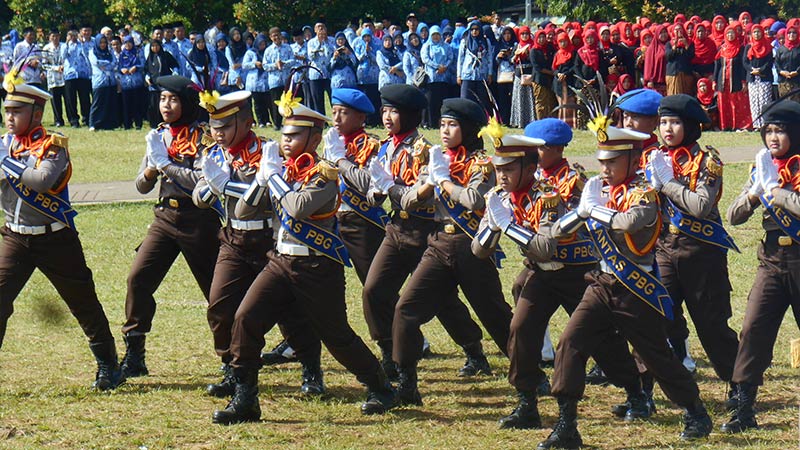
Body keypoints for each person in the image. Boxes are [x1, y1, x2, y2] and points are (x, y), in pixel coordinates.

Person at [210, 92, 397, 425]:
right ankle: (246, 398)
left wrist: (273, 178)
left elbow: (297, 209)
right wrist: (248, 183)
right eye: (283, 135)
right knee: (245, 318)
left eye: (294, 135)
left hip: (317, 266)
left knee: (337, 336)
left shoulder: (325, 174)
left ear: (313, 138)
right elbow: (243, 209)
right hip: (281, 261)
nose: (285, 141)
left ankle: (380, 386)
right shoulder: (281, 169)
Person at [539, 122, 712, 449]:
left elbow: (631, 221)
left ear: (634, 162)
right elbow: (558, 232)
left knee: (657, 356)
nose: (604, 168)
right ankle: (567, 425)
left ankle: (695, 411)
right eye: (602, 161)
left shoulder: (644, 192)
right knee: (570, 342)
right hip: (600, 283)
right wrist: (580, 211)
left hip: (635, 289)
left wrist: (595, 211)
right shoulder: (599, 191)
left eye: (612, 161)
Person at [194, 89, 325, 399]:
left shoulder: (270, 151)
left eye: (225, 127)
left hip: (268, 239)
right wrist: (213, 186)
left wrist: (228, 184)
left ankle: (311, 369)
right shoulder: (215, 154)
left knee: (290, 311)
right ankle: (233, 368)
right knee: (219, 306)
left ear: (246, 122)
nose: (218, 134)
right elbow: (199, 199)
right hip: (234, 239)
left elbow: (268, 195)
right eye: (214, 127)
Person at [388, 98, 513, 405]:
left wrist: (443, 181)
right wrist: (429, 184)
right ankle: (407, 383)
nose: (444, 131)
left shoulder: (482, 164)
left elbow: (475, 200)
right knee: (406, 309)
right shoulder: (437, 159)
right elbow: (410, 201)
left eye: (453, 124)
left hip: (470, 246)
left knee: (495, 315)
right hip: (438, 244)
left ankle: (530, 374)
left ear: (469, 129)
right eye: (442, 124)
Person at [0, 82, 124, 390]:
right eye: (7, 111)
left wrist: (5, 162)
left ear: (37, 113)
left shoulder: (52, 145)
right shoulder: (6, 144)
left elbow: (42, 181)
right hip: (15, 237)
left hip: (55, 238)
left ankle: (109, 365)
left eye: (17, 111)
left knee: (82, 301)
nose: (10, 118)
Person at [363, 85, 487, 381]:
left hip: (424, 230)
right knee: (373, 290)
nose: (388, 117)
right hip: (396, 229)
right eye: (384, 110)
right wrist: (375, 192)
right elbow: (376, 186)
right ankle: (388, 351)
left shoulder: (425, 151)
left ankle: (473, 349)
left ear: (409, 116)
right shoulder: (384, 147)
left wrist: (391, 189)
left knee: (442, 300)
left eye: (394, 111)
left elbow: (422, 195)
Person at [119, 75, 221, 378]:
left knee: (217, 292)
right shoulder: (159, 135)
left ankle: (233, 358)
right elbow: (140, 186)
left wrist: (168, 166)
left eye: (173, 99)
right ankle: (135, 354)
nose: (166, 105)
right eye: (163, 99)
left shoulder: (204, 136)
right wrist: (151, 167)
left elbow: (204, 183)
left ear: (187, 103)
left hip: (199, 220)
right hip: (164, 219)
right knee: (138, 279)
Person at [647, 94, 741, 411]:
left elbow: (701, 206)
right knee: (656, 319)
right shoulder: (656, 158)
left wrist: (668, 183)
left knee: (712, 326)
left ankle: (739, 386)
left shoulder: (707, 160)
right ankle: (645, 391)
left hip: (702, 252)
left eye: (674, 122)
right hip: (664, 249)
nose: (667, 129)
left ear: (689, 126)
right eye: (663, 122)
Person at [725, 100, 800, 434]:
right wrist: (755, 194)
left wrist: (776, 191)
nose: (773, 137)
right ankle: (744, 404)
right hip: (770, 260)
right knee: (753, 329)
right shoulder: (763, 166)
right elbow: (734, 216)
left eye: (780, 130)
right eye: (768, 130)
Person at [714, 25, 751, 131]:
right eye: (728, 33)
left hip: (736, 80)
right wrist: (714, 81)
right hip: (723, 81)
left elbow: (743, 66)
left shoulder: (740, 48)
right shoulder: (722, 48)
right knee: (724, 103)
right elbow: (717, 65)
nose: (730, 35)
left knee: (736, 103)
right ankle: (725, 126)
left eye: (732, 33)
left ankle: (738, 125)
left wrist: (744, 81)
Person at [421, 26, 453, 128]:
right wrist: (437, 66)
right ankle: (431, 123)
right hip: (431, 78)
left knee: (442, 101)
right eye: (433, 35)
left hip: (444, 78)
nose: (435, 37)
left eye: (437, 35)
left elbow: (450, 57)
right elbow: (425, 58)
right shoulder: (427, 46)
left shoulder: (446, 46)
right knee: (431, 102)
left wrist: (445, 67)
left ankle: (442, 123)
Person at [457, 21, 492, 112]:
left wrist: (490, 73)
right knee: (465, 98)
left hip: (481, 74)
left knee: (482, 100)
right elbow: (460, 59)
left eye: (476, 29)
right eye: (472, 29)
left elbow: (489, 58)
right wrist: (459, 75)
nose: (474, 31)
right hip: (468, 74)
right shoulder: (465, 41)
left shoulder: (485, 41)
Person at [745, 24, 775, 130]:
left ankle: (765, 124)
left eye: (758, 32)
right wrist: (752, 70)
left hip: (764, 77)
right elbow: (745, 62)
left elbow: (769, 62)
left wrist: (760, 70)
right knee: (753, 101)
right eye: (754, 32)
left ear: (762, 33)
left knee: (764, 101)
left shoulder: (767, 46)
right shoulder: (749, 46)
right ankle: (756, 124)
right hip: (752, 78)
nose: (756, 34)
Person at [263, 27, 294, 129]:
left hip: (286, 79)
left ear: (281, 35)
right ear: (270, 37)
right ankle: (277, 123)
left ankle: (289, 121)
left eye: (278, 35)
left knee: (288, 101)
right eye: (274, 36)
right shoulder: (268, 50)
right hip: (274, 81)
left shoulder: (287, 47)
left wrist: (284, 64)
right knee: (276, 102)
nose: (276, 37)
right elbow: (265, 65)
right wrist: (275, 65)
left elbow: (293, 60)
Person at [145, 39, 179, 128]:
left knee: (165, 104)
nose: (155, 48)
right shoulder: (150, 57)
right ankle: (154, 125)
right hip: (153, 86)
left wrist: (174, 74)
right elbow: (146, 70)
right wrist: (147, 78)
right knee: (154, 105)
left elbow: (175, 66)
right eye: (152, 46)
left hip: (165, 85)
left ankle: (166, 122)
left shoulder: (166, 55)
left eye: (156, 46)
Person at [63, 25, 93, 128]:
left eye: (75, 34)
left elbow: (87, 55)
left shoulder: (82, 44)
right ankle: (74, 120)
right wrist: (67, 42)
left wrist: (82, 43)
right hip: (70, 75)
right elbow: (62, 56)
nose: (73, 37)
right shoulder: (65, 45)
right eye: (71, 35)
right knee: (71, 99)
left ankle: (87, 118)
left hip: (82, 74)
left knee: (84, 98)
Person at [88, 36, 118, 131]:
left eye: (104, 42)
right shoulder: (92, 52)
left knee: (109, 102)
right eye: (100, 42)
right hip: (99, 81)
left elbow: (114, 62)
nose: (103, 44)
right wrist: (107, 63)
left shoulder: (109, 52)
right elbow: (96, 62)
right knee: (97, 103)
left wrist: (105, 64)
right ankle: (93, 123)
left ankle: (107, 123)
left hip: (110, 81)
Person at [118, 36, 146, 129]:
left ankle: (138, 123)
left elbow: (143, 64)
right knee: (126, 104)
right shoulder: (122, 54)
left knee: (137, 104)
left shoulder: (137, 53)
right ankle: (127, 124)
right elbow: (118, 66)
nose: (128, 45)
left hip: (136, 82)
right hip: (126, 83)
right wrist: (122, 69)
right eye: (125, 43)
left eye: (129, 42)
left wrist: (136, 67)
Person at [306, 23, 334, 115]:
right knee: (318, 100)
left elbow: (330, 54)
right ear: (315, 30)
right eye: (318, 28)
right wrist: (319, 43)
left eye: (323, 27)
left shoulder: (331, 41)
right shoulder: (311, 42)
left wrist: (325, 42)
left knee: (333, 98)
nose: (321, 29)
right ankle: (322, 122)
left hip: (329, 74)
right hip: (315, 74)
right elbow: (311, 56)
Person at [241, 34, 269, 127]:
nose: (262, 46)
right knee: (257, 103)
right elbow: (244, 65)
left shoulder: (267, 52)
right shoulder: (250, 52)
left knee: (266, 102)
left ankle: (267, 120)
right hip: (254, 81)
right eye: (260, 44)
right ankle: (260, 121)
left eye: (264, 44)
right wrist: (254, 64)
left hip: (265, 80)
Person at [510, 26, 534, 128]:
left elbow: (534, 61)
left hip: (529, 74)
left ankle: (530, 120)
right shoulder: (517, 45)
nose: (524, 36)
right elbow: (511, 60)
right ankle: (519, 121)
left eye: (526, 34)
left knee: (529, 98)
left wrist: (528, 54)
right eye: (522, 34)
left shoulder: (532, 45)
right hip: (519, 74)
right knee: (519, 98)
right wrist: (516, 55)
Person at [530, 30, 556, 120]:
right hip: (539, 80)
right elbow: (537, 67)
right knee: (541, 102)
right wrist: (551, 72)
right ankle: (541, 121)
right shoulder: (534, 50)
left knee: (550, 102)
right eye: (539, 37)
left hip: (550, 80)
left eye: (543, 37)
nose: (541, 39)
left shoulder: (549, 48)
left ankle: (550, 122)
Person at [42, 28, 66, 127]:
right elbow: (44, 65)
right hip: (53, 78)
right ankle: (58, 120)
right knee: (55, 101)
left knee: (68, 99)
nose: (55, 38)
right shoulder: (46, 48)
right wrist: (56, 68)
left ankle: (72, 119)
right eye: (53, 36)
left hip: (64, 77)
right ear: (49, 37)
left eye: (57, 36)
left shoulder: (64, 46)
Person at [665, 23, 695, 96]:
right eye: (676, 30)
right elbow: (668, 57)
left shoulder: (689, 42)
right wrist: (674, 46)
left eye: (680, 29)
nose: (678, 31)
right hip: (673, 74)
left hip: (686, 74)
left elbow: (691, 56)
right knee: (674, 96)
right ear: (673, 31)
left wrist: (686, 45)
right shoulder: (669, 43)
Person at [775, 26, 800, 102]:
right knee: (784, 105)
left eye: (794, 32)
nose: (791, 34)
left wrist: (797, 72)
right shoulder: (781, 49)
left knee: (796, 106)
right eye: (789, 32)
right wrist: (781, 72)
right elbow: (777, 63)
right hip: (783, 82)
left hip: (797, 81)